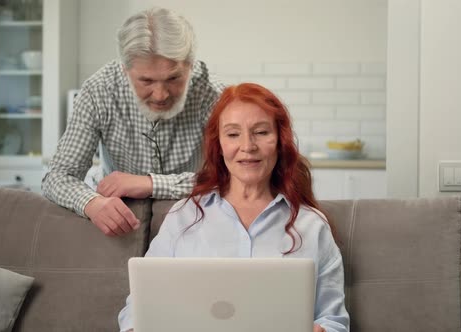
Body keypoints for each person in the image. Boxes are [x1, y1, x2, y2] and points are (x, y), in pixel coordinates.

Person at [117, 83, 349, 332]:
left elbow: (333, 320)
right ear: (219, 145)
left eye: (261, 132)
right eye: (233, 134)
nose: (247, 146)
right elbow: (138, 305)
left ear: (280, 142)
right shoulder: (184, 216)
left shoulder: (312, 226)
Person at [42, 8, 224, 236]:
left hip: (192, 216)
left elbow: (233, 176)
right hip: (119, 215)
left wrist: (150, 184)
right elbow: (58, 176)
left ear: (190, 65)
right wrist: (92, 203)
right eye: (146, 80)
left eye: (174, 78)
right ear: (124, 69)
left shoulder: (213, 94)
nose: (160, 95)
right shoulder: (98, 91)